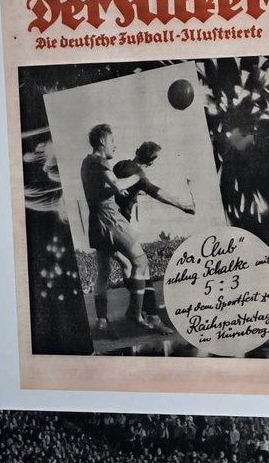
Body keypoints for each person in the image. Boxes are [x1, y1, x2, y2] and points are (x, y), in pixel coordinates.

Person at [81, 124, 157, 335]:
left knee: (105, 271)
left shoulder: (86, 163)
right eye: (112, 141)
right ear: (103, 141)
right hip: (112, 221)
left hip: (95, 223)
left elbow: (103, 188)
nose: (115, 145)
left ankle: (102, 321)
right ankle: (135, 312)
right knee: (140, 261)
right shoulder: (99, 160)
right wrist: (138, 176)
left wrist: (114, 189)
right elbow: (116, 185)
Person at [111, 141, 194, 332]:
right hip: (119, 225)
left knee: (127, 265)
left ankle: (139, 311)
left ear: (136, 152)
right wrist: (181, 206)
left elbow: (120, 185)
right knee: (141, 266)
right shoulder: (138, 175)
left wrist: (134, 191)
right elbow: (157, 192)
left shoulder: (120, 165)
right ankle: (150, 315)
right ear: (152, 163)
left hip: (105, 222)